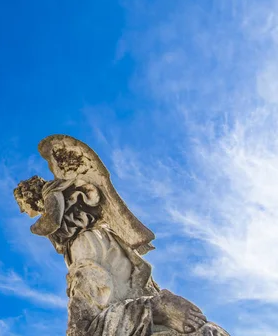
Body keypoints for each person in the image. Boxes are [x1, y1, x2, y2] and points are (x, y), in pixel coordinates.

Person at [14, 135, 230, 336]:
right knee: (108, 289)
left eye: (23, 205)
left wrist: (36, 228)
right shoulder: (58, 191)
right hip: (97, 243)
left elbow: (50, 222)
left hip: (89, 243)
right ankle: (150, 308)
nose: (24, 211)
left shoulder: (51, 192)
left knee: (94, 295)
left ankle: (153, 308)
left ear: (29, 194)